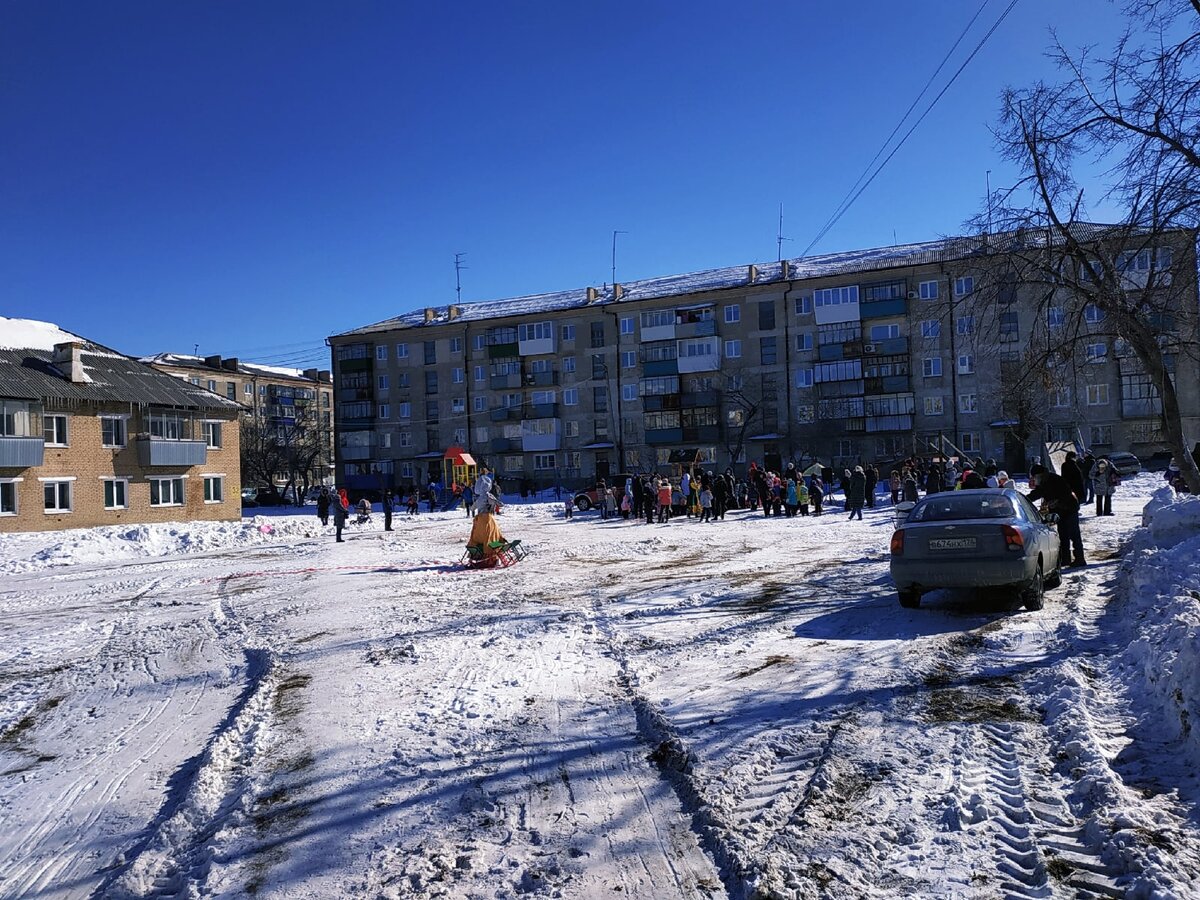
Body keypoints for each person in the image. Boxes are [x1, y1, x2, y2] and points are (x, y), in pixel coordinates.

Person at [1027, 465, 1086, 567]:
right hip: (1058, 511)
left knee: (1074, 534)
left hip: (1069, 508)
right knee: (1063, 535)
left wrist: (1057, 502)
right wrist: (1024, 499)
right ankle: (1065, 559)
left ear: (1040, 474)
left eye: (1035, 476)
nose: (1034, 479)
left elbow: (1067, 493)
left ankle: (1080, 559)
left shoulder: (1055, 479)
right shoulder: (1042, 483)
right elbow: (1036, 494)